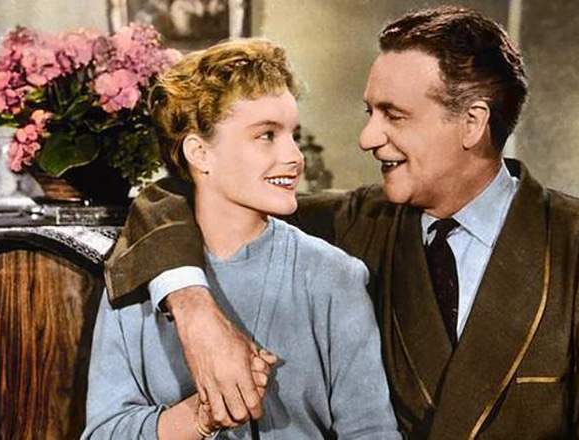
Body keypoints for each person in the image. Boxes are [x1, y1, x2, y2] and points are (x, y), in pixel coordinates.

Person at [104, 5, 579, 439]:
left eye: (394, 115)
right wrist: (194, 308)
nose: (367, 138)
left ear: (472, 123)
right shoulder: (361, 222)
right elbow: (175, 197)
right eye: (370, 112)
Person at [82, 38, 399, 439]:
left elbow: (371, 432)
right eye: (267, 135)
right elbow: (103, 432)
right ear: (200, 153)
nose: (294, 157)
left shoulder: (335, 277)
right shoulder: (138, 274)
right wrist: (202, 415)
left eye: (293, 135)